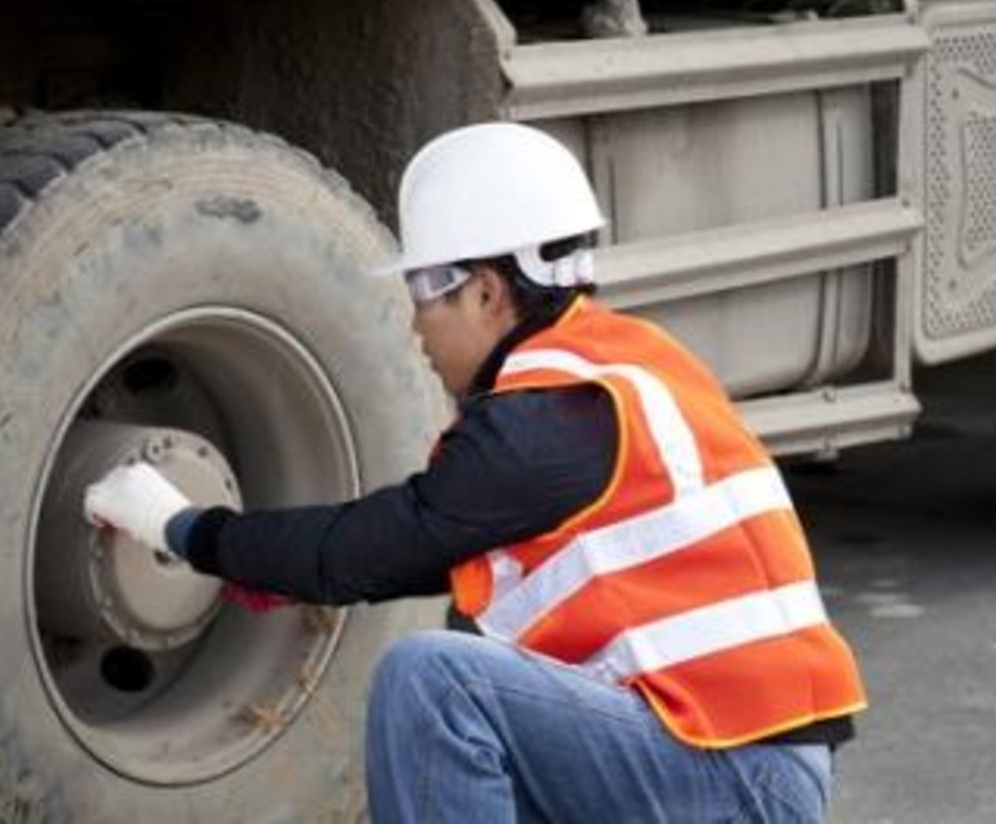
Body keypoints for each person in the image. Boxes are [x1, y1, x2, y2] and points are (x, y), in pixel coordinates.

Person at [85, 122, 868, 823]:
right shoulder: (615, 367)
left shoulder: (547, 415)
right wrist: (269, 561)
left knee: (437, 684)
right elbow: (429, 548)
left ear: (488, 289)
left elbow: (376, 546)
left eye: (423, 291)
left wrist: (183, 529)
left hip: (736, 779)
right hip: (734, 759)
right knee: (467, 710)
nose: (413, 322)